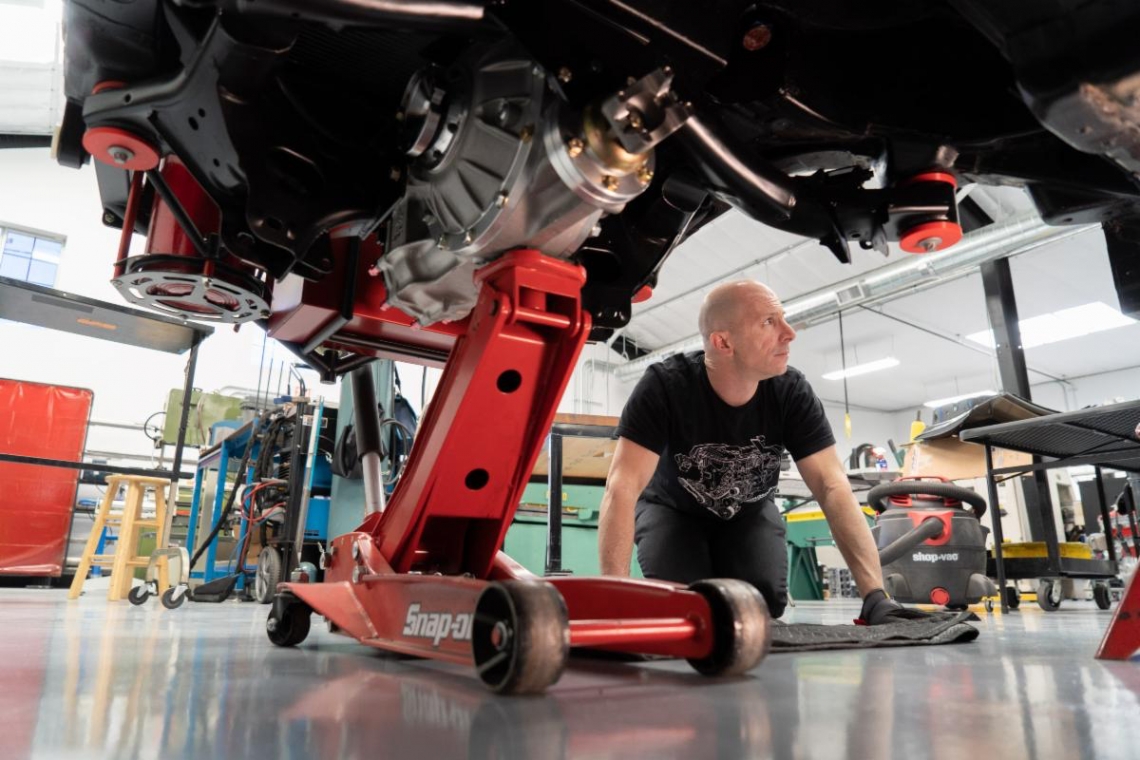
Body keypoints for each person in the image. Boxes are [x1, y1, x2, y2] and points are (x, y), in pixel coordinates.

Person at [598, 280, 925, 625]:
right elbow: (622, 488)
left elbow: (832, 486)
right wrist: (613, 600)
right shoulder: (666, 386)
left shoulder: (790, 392)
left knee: (758, 607)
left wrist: (874, 596)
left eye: (782, 318)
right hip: (672, 510)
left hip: (749, 512)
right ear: (723, 342)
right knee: (688, 610)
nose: (789, 333)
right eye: (768, 322)